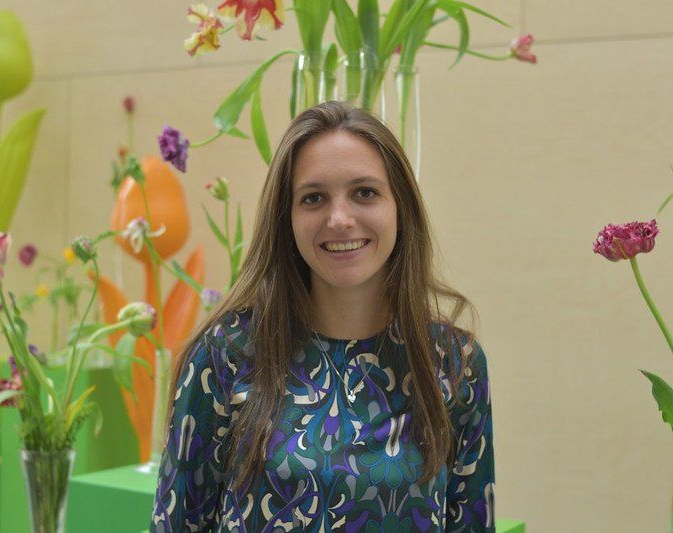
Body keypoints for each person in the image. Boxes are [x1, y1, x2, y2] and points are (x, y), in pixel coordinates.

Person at [149, 101, 495, 532]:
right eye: (313, 198)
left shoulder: (455, 362)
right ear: (287, 219)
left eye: (364, 192)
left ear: (400, 207)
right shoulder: (225, 354)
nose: (340, 219)